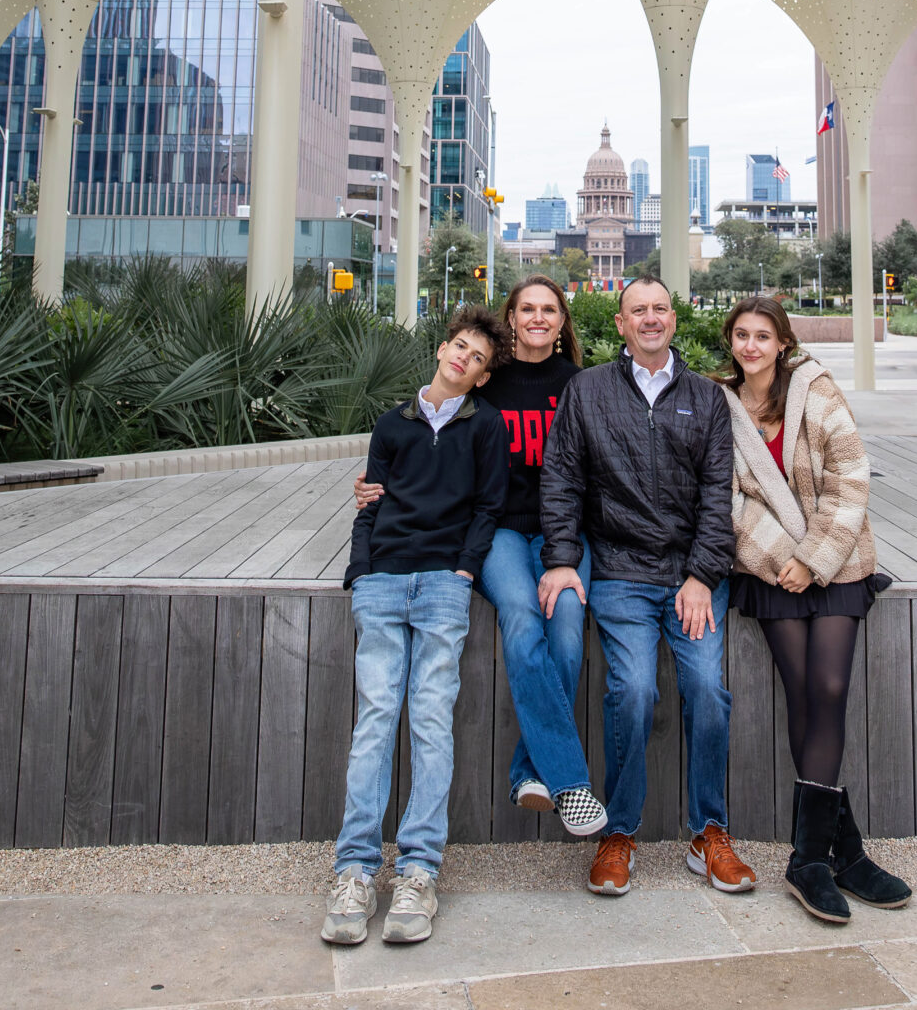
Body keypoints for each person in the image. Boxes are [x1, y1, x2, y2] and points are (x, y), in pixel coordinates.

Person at [353, 275, 606, 836]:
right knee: (520, 615)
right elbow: (430, 434)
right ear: (512, 319)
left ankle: (528, 770)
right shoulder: (486, 382)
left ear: (563, 323)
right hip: (503, 531)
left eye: (549, 310)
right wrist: (378, 484)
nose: (538, 317)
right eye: (527, 309)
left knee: (566, 622)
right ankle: (571, 783)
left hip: (566, 535)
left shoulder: (583, 385)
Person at [539, 274, 757, 899]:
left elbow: (720, 497)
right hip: (621, 572)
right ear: (620, 324)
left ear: (674, 320)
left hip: (691, 574)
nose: (651, 318)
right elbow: (562, 483)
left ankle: (708, 830)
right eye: (639, 310)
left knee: (708, 691)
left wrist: (701, 574)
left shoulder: (706, 399)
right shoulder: (586, 391)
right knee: (632, 690)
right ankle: (621, 833)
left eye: (661, 308)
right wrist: (560, 558)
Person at [322, 306, 509, 949]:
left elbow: (488, 506)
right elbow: (372, 497)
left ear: (483, 377)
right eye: (459, 347)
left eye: (477, 358)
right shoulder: (393, 423)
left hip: (442, 587)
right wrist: (360, 567)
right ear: (441, 348)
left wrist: (463, 571)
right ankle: (353, 869)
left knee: (429, 716)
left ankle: (419, 871)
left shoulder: (486, 427)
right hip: (381, 580)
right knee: (376, 716)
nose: (464, 359)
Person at [720, 294, 910, 923]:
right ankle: (842, 853)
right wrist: (782, 562)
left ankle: (810, 859)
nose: (751, 346)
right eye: (741, 335)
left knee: (828, 687)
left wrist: (814, 558)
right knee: (801, 694)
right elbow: (729, 502)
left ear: (783, 343)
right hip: (771, 568)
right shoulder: (721, 410)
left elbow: (850, 478)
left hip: (837, 562)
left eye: (763, 336)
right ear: (732, 343)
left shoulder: (816, 391)